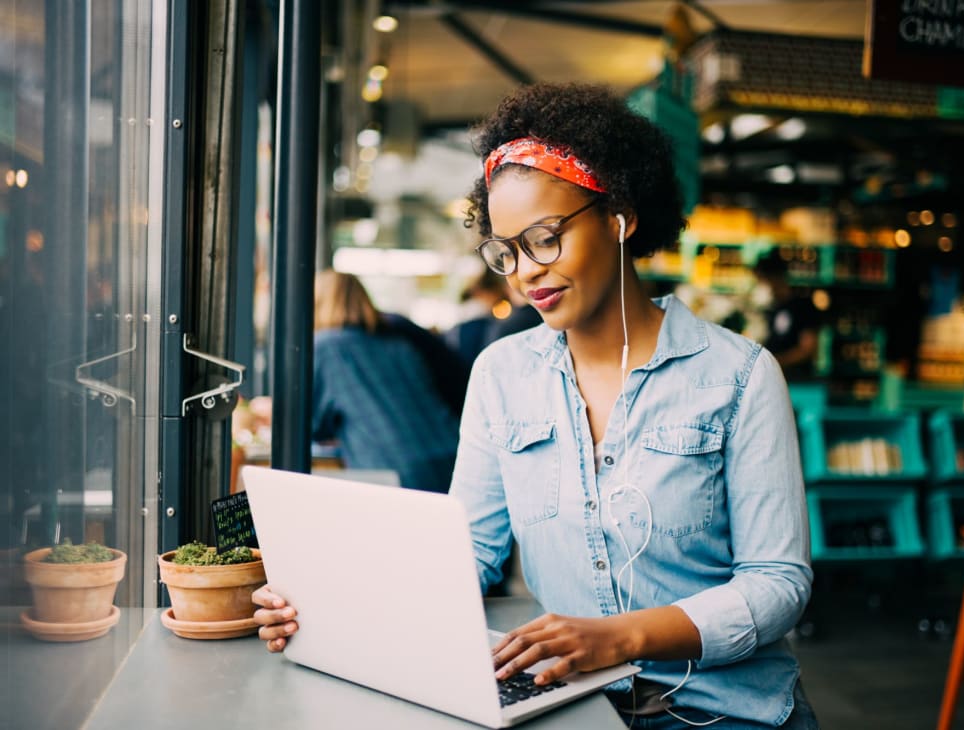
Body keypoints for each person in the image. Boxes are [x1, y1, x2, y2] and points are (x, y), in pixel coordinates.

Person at [254, 83, 816, 729]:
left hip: (724, 714)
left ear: (619, 218)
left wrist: (622, 638)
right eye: (506, 251)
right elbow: (466, 549)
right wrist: (328, 604)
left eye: (545, 238)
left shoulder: (738, 375)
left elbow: (778, 585)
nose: (525, 272)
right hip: (574, 706)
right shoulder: (503, 373)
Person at [310, 269, 460, 492]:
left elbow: (314, 427)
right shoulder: (399, 344)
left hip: (395, 472)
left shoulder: (325, 347)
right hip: (451, 457)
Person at [753, 250, 821, 381]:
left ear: (774, 278)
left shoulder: (803, 306)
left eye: (761, 280)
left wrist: (775, 362)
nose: (759, 286)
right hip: (770, 378)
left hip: (796, 381)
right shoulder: (769, 308)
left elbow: (808, 348)